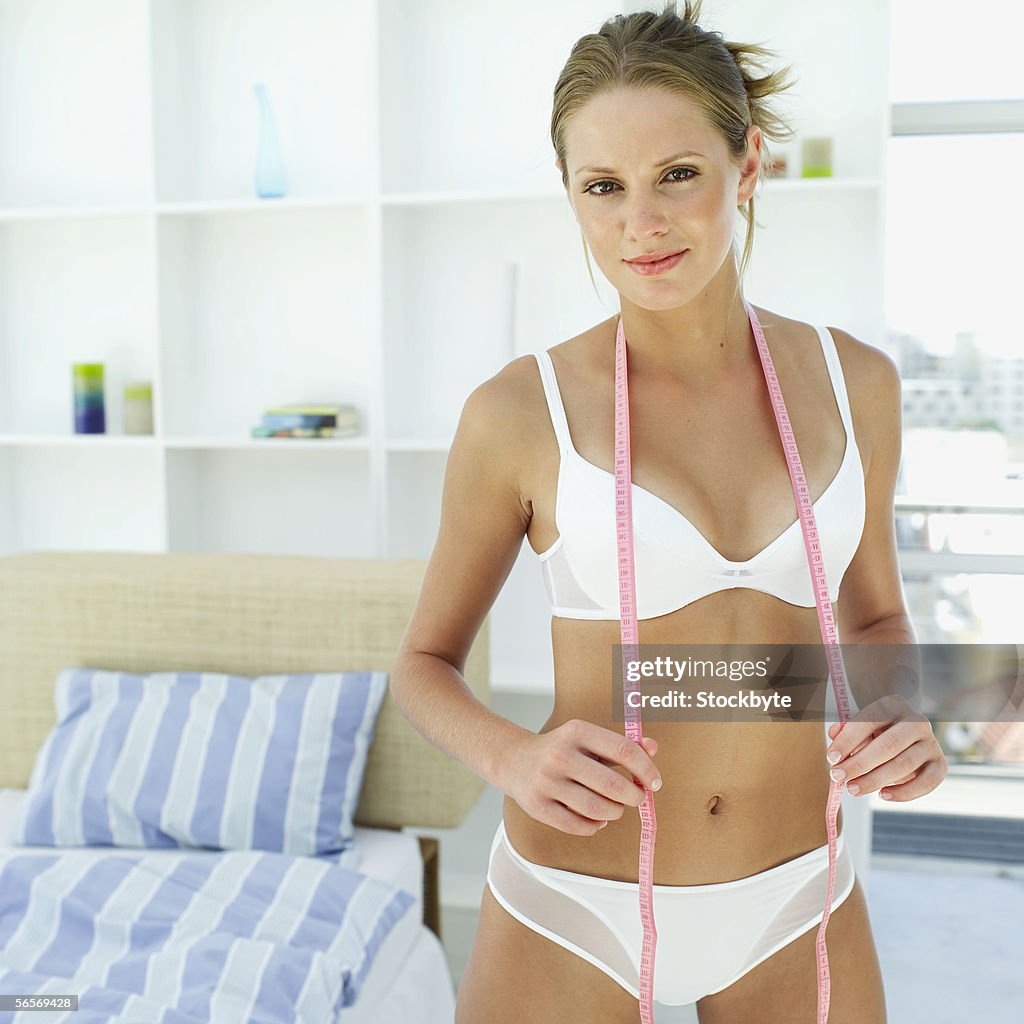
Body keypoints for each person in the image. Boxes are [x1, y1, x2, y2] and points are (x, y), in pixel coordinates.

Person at [389, 2, 948, 1021]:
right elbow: (421, 663)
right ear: (571, 199)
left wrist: (899, 710)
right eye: (602, 187)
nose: (639, 222)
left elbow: (870, 621)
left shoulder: (852, 382)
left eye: (676, 175)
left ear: (746, 166)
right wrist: (512, 755)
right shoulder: (520, 413)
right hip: (574, 904)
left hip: (798, 898)